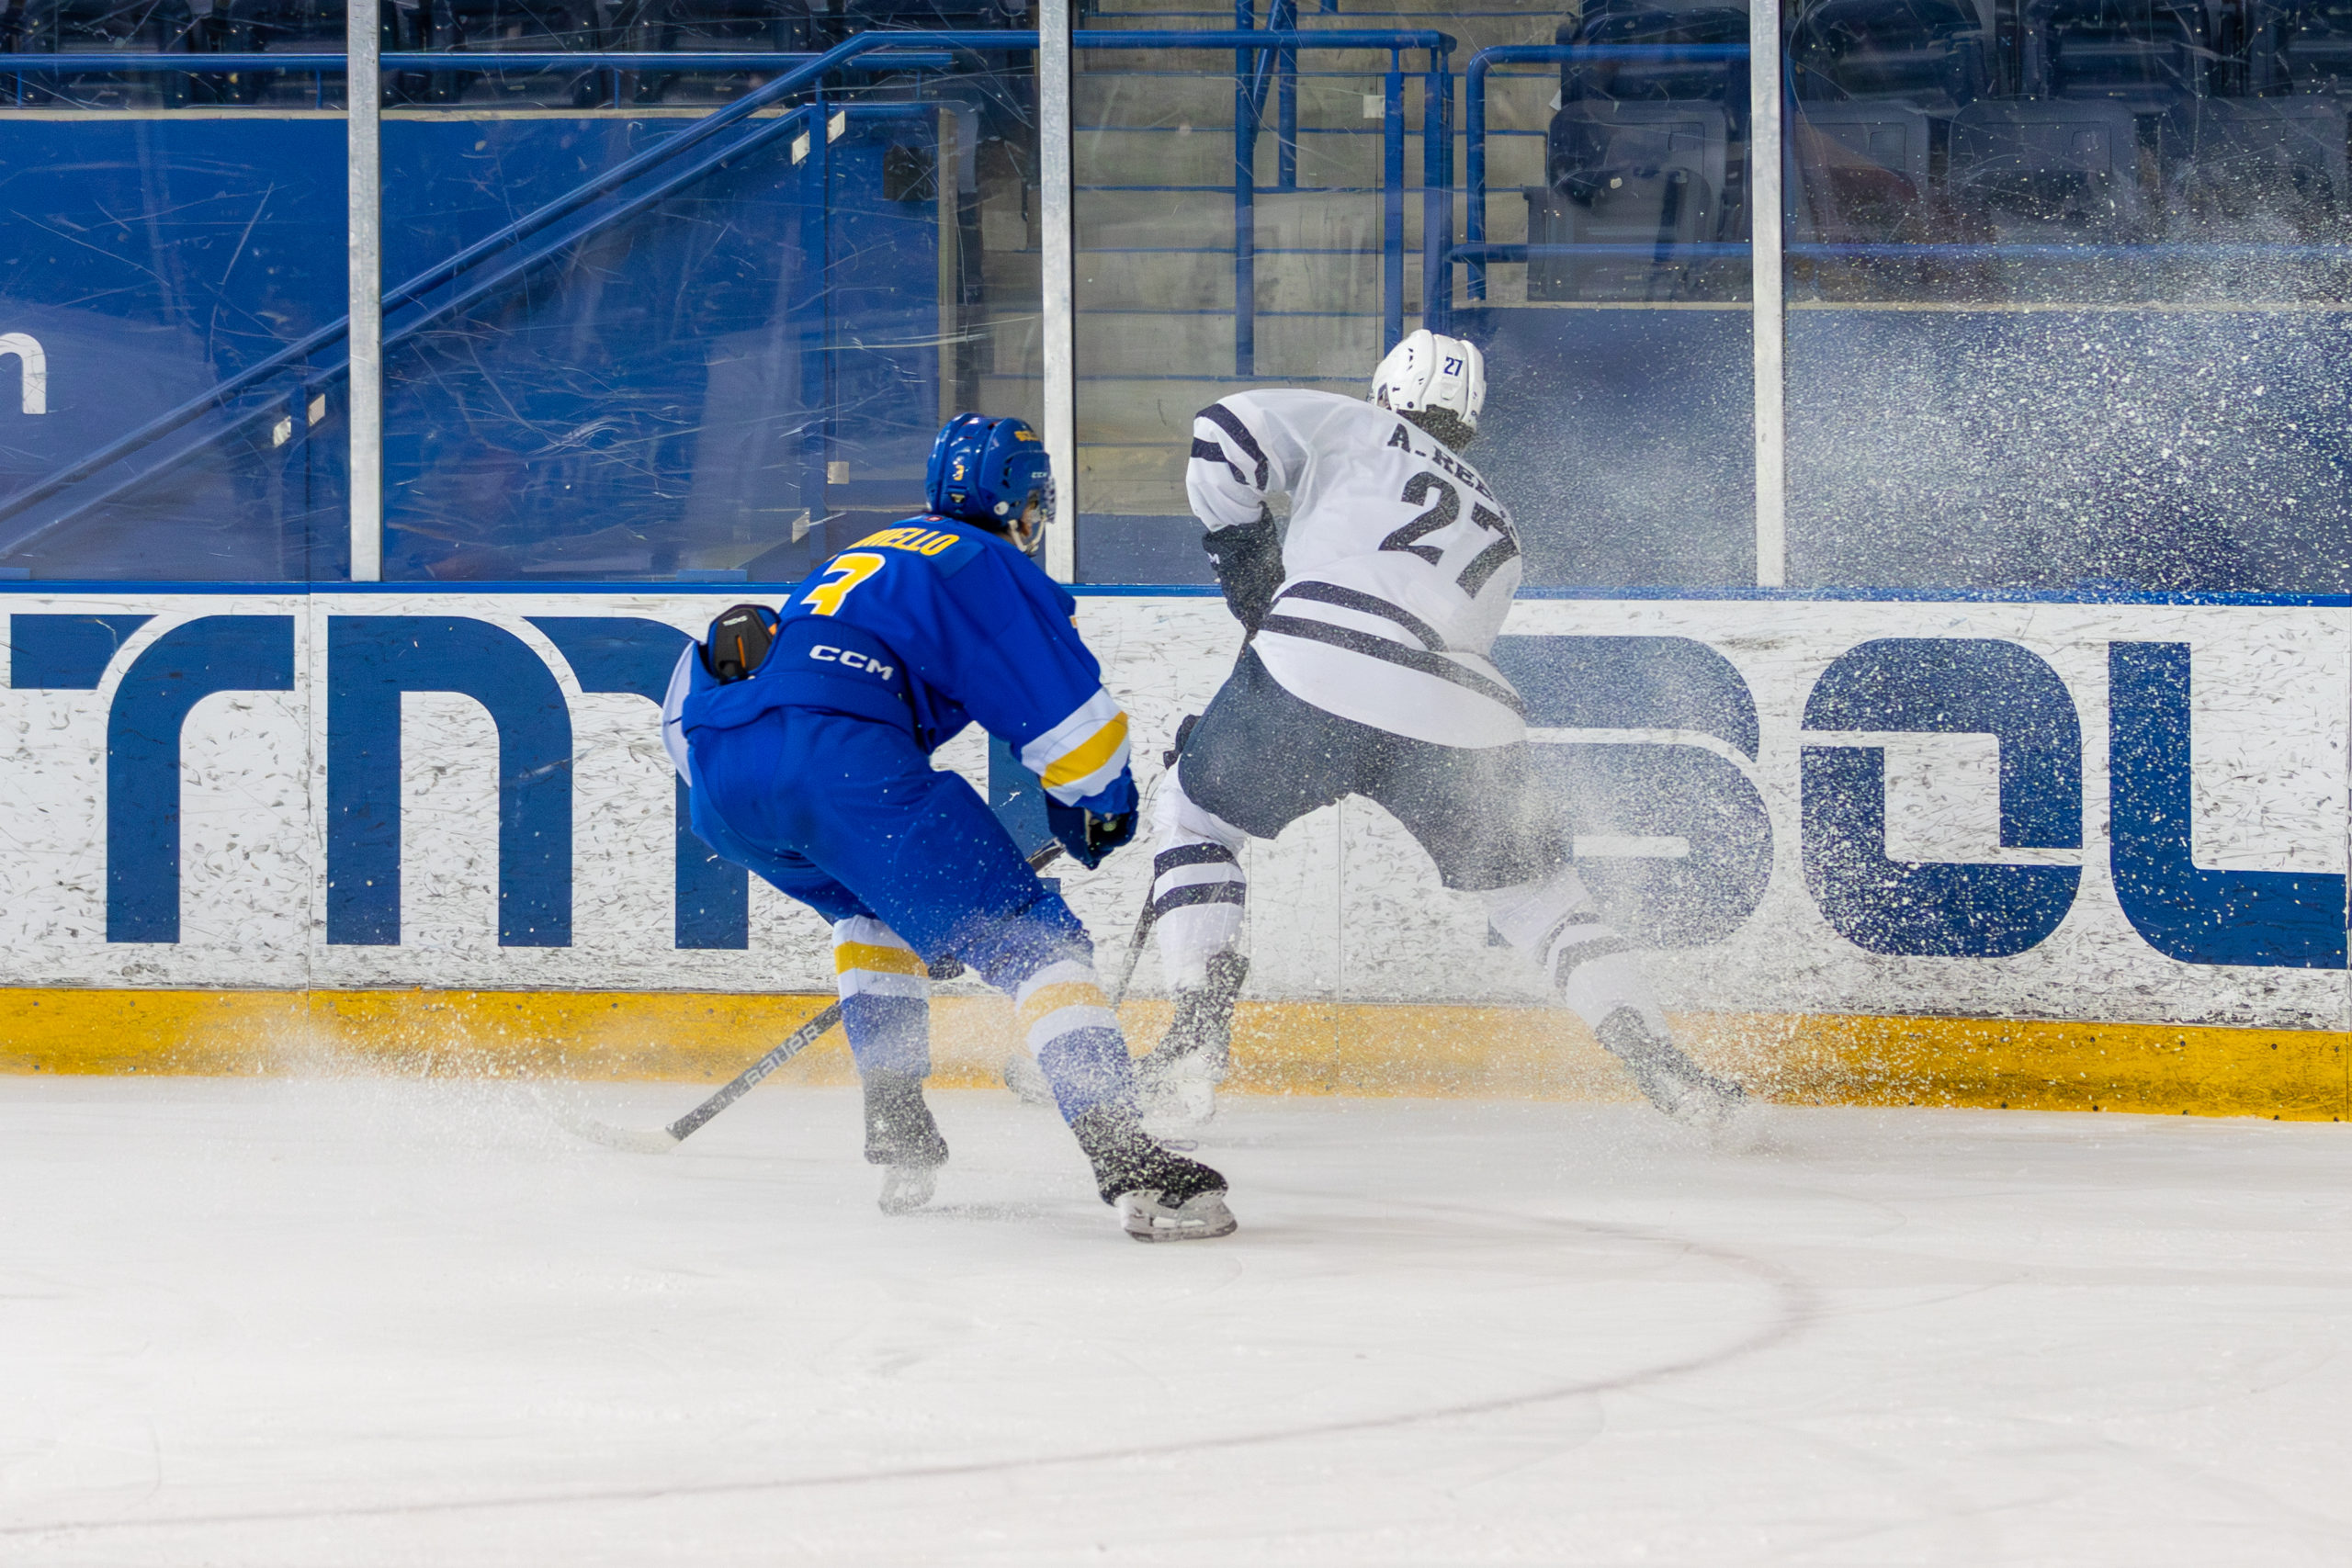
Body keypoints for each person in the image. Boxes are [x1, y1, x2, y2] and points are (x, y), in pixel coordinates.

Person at [1131, 329, 1748, 1130]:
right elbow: (1417, 644)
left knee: (1194, 813)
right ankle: (1666, 1064)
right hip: (1465, 709)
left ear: (1387, 389)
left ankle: (1193, 1039)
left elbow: (1224, 432)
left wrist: (1249, 571)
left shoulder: (1356, 425)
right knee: (1540, 899)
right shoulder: (1501, 522)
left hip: (1319, 664)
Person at [661, 413, 1237, 1242]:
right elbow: (1072, 724)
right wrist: (1098, 805)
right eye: (1036, 499)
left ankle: (896, 1119)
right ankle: (1129, 1162)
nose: (1037, 517)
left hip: (721, 776)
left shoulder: (869, 552)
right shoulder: (982, 561)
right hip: (835, 757)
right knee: (1033, 938)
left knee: (873, 910)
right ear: (1017, 499)